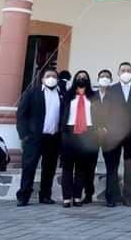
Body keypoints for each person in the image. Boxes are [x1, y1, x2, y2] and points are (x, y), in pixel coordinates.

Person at [15, 68, 64, 206]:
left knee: (49, 168)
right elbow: (21, 115)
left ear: (58, 80)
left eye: (54, 76)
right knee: (29, 166)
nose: (51, 78)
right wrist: (24, 134)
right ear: (42, 79)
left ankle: (45, 195)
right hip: (34, 137)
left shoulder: (61, 94)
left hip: (53, 138)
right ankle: (24, 196)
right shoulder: (32, 93)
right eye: (48, 76)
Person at [102, 62, 131, 207]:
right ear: (118, 73)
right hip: (113, 135)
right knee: (112, 167)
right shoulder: (111, 90)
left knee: (130, 167)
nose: (126, 72)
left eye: (128, 70)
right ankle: (112, 197)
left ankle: (128, 197)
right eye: (123, 70)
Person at [60, 70, 99, 208]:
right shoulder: (68, 96)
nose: (81, 79)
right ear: (75, 79)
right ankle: (66, 197)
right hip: (70, 132)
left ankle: (77, 196)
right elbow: (61, 114)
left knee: (81, 168)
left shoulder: (93, 96)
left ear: (88, 80)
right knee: (67, 168)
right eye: (79, 77)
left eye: (84, 77)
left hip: (87, 132)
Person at [82, 68, 112, 204]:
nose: (104, 78)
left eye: (107, 77)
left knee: (111, 166)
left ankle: (110, 197)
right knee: (89, 166)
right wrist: (95, 129)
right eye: (102, 76)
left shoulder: (115, 96)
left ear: (111, 80)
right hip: (92, 135)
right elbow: (86, 115)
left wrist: (107, 129)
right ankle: (88, 194)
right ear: (98, 79)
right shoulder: (90, 96)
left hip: (110, 135)